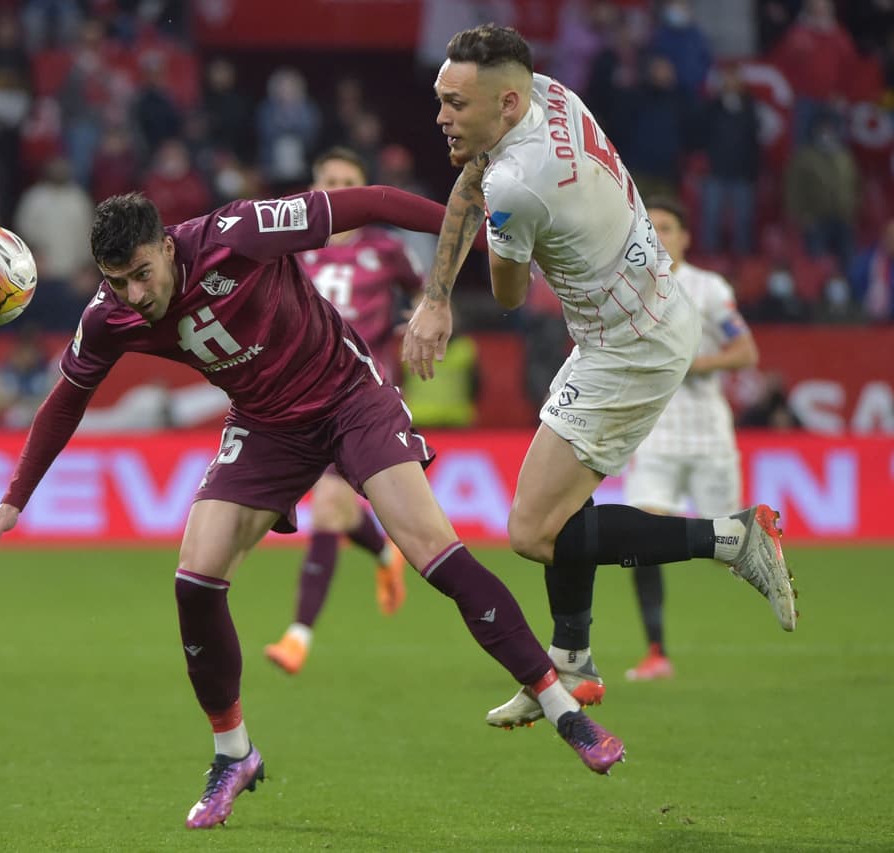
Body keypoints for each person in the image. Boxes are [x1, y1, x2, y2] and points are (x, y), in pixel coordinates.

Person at [0, 184, 627, 831]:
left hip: (349, 400)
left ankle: (563, 709)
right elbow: (67, 398)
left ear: (166, 246)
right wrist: (14, 498)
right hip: (266, 426)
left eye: (141, 275)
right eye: (116, 280)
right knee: (194, 578)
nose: (133, 294)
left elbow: (374, 203)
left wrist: (488, 242)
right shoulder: (108, 316)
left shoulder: (238, 234)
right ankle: (234, 754)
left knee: (434, 553)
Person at [402, 24, 796, 733]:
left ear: (507, 102)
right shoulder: (550, 94)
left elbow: (510, 294)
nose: (441, 116)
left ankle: (734, 538)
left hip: (629, 349)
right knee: (565, 509)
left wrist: (484, 255)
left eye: (456, 104)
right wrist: (435, 298)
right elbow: (475, 175)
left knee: (532, 530)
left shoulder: (518, 186)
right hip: (635, 320)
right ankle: (572, 660)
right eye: (441, 99)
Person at [262, 147, 418, 676]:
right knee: (340, 510)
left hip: (360, 399)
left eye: (349, 180)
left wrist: (422, 320)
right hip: (298, 397)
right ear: (312, 187)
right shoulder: (287, 246)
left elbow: (428, 294)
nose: (337, 188)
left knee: (329, 507)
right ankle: (384, 554)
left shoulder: (387, 250)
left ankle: (297, 636)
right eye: (329, 179)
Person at [622, 198, 760, 681]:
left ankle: (762, 554)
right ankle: (656, 651)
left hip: (707, 434)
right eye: (651, 227)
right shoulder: (626, 286)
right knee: (640, 536)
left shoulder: (709, 288)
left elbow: (745, 352)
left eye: (667, 227)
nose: (658, 235)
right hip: (654, 431)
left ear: (684, 237)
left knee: (732, 549)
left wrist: (695, 365)